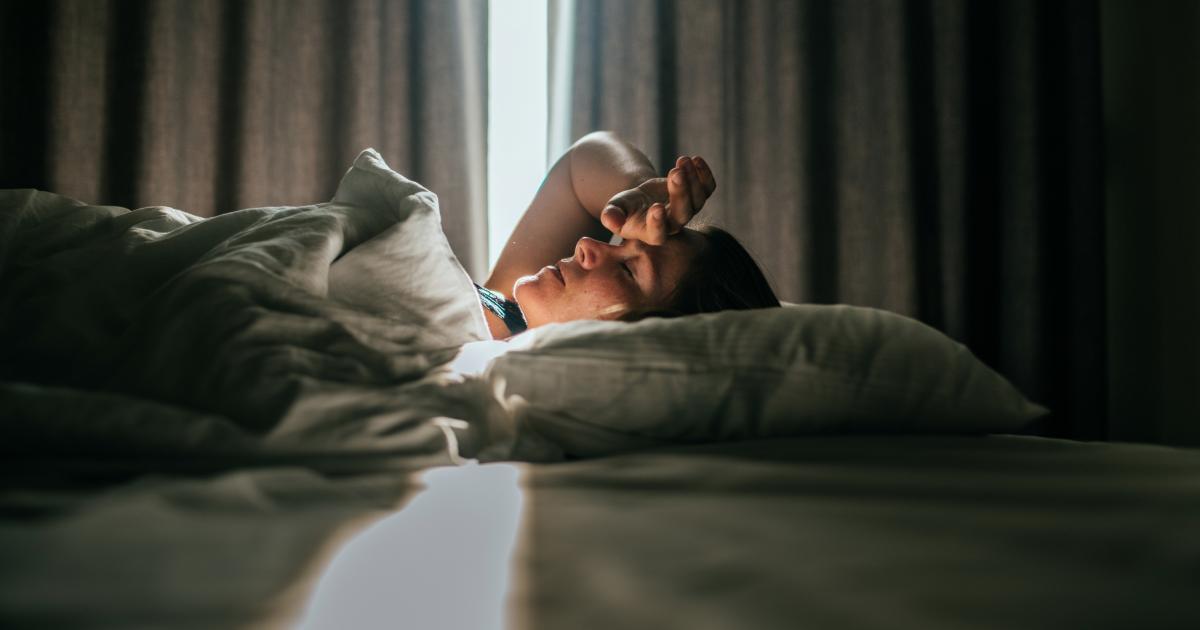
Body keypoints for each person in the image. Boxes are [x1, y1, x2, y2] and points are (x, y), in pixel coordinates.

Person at [478, 131, 780, 340]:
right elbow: (584, 157)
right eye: (621, 242)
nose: (585, 244)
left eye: (627, 270)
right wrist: (638, 193)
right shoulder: (504, 314)